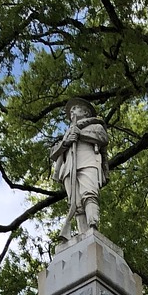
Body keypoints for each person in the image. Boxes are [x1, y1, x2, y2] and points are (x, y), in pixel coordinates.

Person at [50, 100, 109, 242]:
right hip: (69, 168)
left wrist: (80, 135)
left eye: (76, 108)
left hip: (88, 161)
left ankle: (92, 225)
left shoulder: (95, 125)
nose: (72, 111)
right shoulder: (68, 132)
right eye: (71, 109)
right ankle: (83, 233)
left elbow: (103, 138)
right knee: (75, 204)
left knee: (89, 194)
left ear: (86, 112)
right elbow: (53, 154)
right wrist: (66, 142)